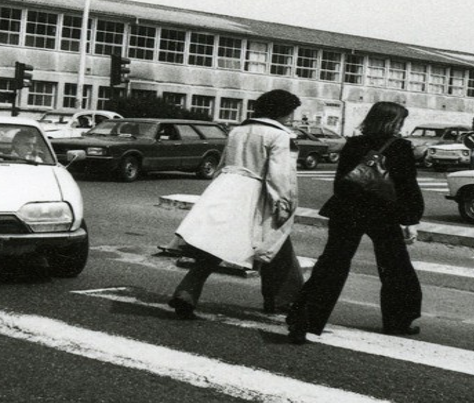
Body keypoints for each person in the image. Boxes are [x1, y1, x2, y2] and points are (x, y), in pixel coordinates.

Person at [286, 101, 425, 343]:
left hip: (346, 210)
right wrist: (410, 219)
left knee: (332, 264)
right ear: (394, 123)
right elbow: (407, 186)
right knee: (395, 267)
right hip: (382, 213)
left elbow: (341, 181)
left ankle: (304, 319)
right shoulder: (400, 147)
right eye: (400, 122)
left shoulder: (353, 144)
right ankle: (398, 320)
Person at [166, 89, 304, 318]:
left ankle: (187, 291)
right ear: (280, 111)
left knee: (214, 244)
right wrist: (284, 203)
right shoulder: (280, 136)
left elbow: (224, 162)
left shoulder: (238, 130)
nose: (290, 117)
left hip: (226, 186)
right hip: (255, 193)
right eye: (290, 112)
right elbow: (280, 175)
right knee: (274, 243)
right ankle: (287, 301)